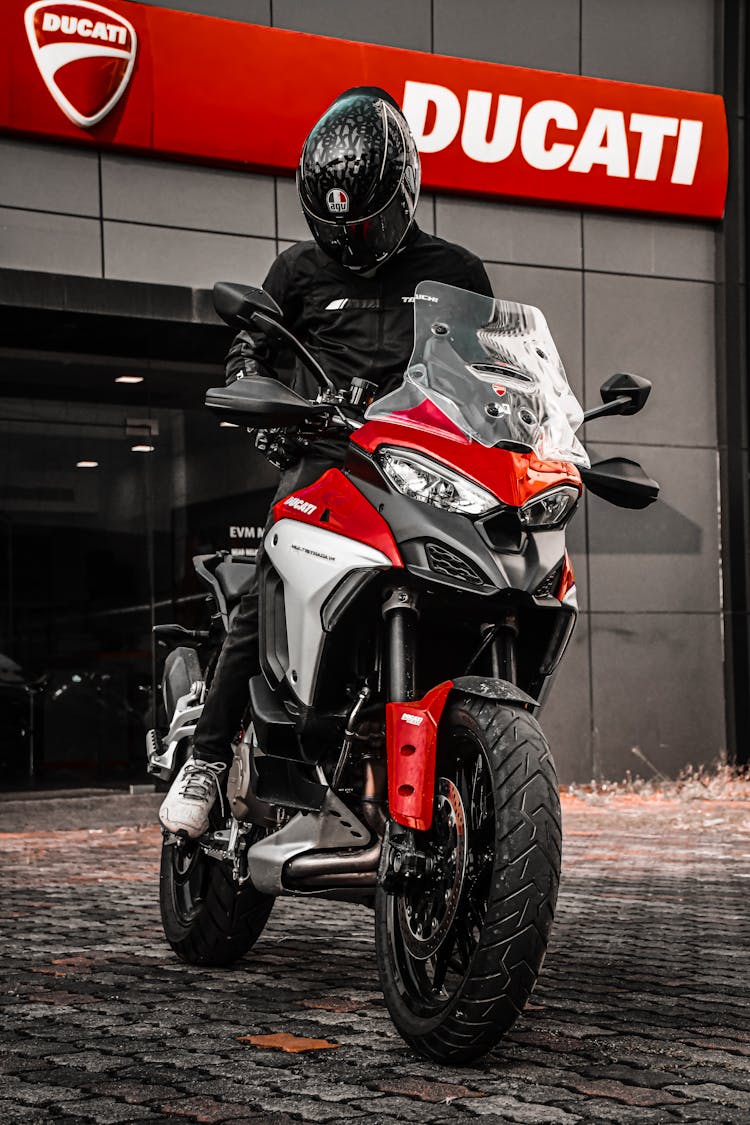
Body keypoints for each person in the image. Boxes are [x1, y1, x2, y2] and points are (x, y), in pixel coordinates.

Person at [159, 86, 493, 838]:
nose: (351, 240)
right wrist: (260, 394)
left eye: (367, 222)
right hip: (327, 460)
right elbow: (253, 347)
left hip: (421, 464)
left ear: (404, 192)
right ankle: (208, 758)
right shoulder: (299, 271)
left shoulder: (456, 272)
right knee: (270, 576)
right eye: (336, 225)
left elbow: (490, 371)